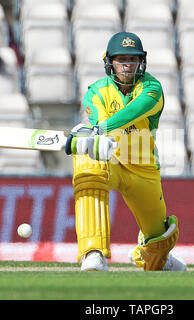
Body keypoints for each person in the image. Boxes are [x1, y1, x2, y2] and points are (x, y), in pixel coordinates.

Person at [65, 31, 186, 272]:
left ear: (141, 61)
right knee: (87, 166)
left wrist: (102, 128)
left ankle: (153, 255)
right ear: (110, 62)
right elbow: (97, 119)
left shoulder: (152, 88)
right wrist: (97, 135)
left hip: (143, 168)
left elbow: (135, 110)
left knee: (160, 240)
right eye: (121, 59)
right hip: (110, 160)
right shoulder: (95, 92)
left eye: (133, 59)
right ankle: (93, 253)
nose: (127, 65)